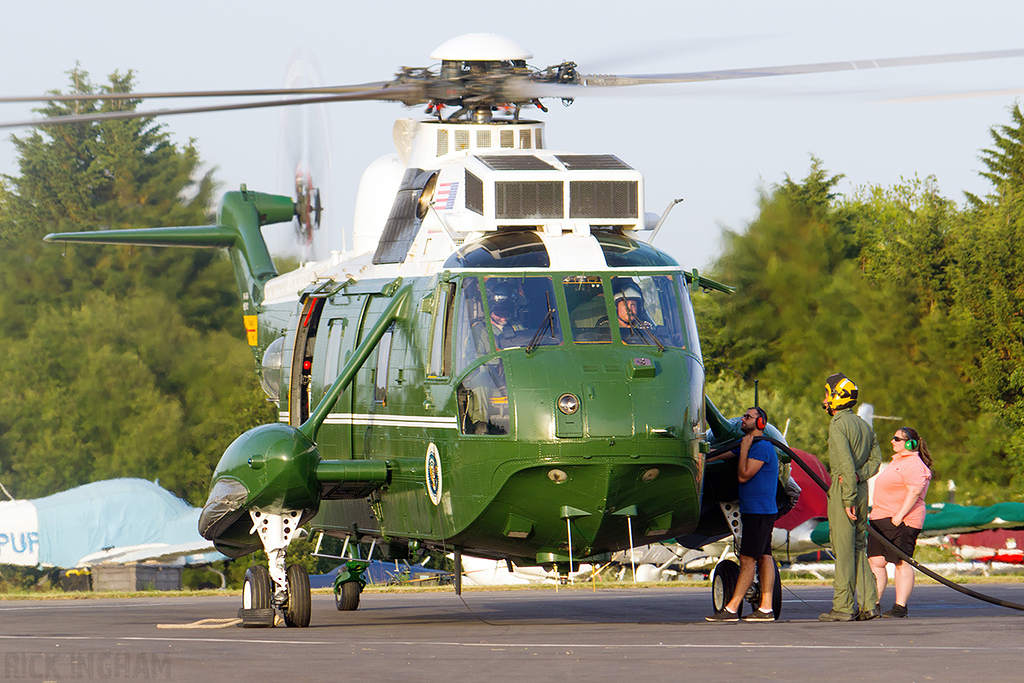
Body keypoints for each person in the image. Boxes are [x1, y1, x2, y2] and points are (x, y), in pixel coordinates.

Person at [819, 372, 883, 622]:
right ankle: (870, 604)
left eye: (827, 394)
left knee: (843, 549)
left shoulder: (837, 425)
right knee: (858, 547)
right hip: (861, 487)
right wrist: (859, 477)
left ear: (836, 397)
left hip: (844, 488)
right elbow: (875, 461)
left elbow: (845, 464)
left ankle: (843, 607)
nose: (825, 400)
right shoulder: (865, 426)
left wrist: (847, 498)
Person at [706, 406, 779, 622]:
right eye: (743, 416)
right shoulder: (748, 444)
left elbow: (744, 475)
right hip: (757, 512)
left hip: (759, 513)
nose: (743, 419)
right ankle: (766, 608)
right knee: (764, 557)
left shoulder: (762, 447)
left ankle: (731, 609)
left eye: (748, 417)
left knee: (747, 559)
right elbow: (715, 456)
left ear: (760, 423)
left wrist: (745, 450)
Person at [868, 426, 933, 618]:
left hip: (902, 521)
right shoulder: (899, 462)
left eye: (897, 439)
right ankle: (873, 604)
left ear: (910, 444)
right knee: (876, 561)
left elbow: (914, 491)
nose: (892, 441)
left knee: (901, 562)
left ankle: (900, 607)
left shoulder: (914, 464)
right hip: (881, 519)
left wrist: (898, 516)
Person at [487, 282, 524, 349]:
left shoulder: (517, 326)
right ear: (491, 309)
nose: (504, 312)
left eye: (508, 308)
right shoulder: (480, 331)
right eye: (499, 309)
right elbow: (474, 356)